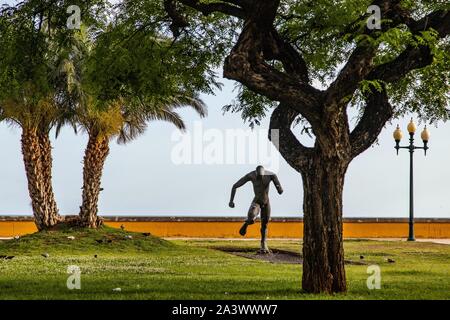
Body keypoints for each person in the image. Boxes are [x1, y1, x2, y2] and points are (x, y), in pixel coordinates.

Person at [229, 165, 283, 253]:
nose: (259, 179)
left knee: (265, 224)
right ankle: (247, 222)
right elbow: (235, 186)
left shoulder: (271, 175)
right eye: (258, 177)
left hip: (266, 202)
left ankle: (263, 244)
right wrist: (231, 201)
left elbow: (279, 187)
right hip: (257, 201)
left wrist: (279, 188)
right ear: (255, 173)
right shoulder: (251, 175)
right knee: (251, 216)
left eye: (261, 177)